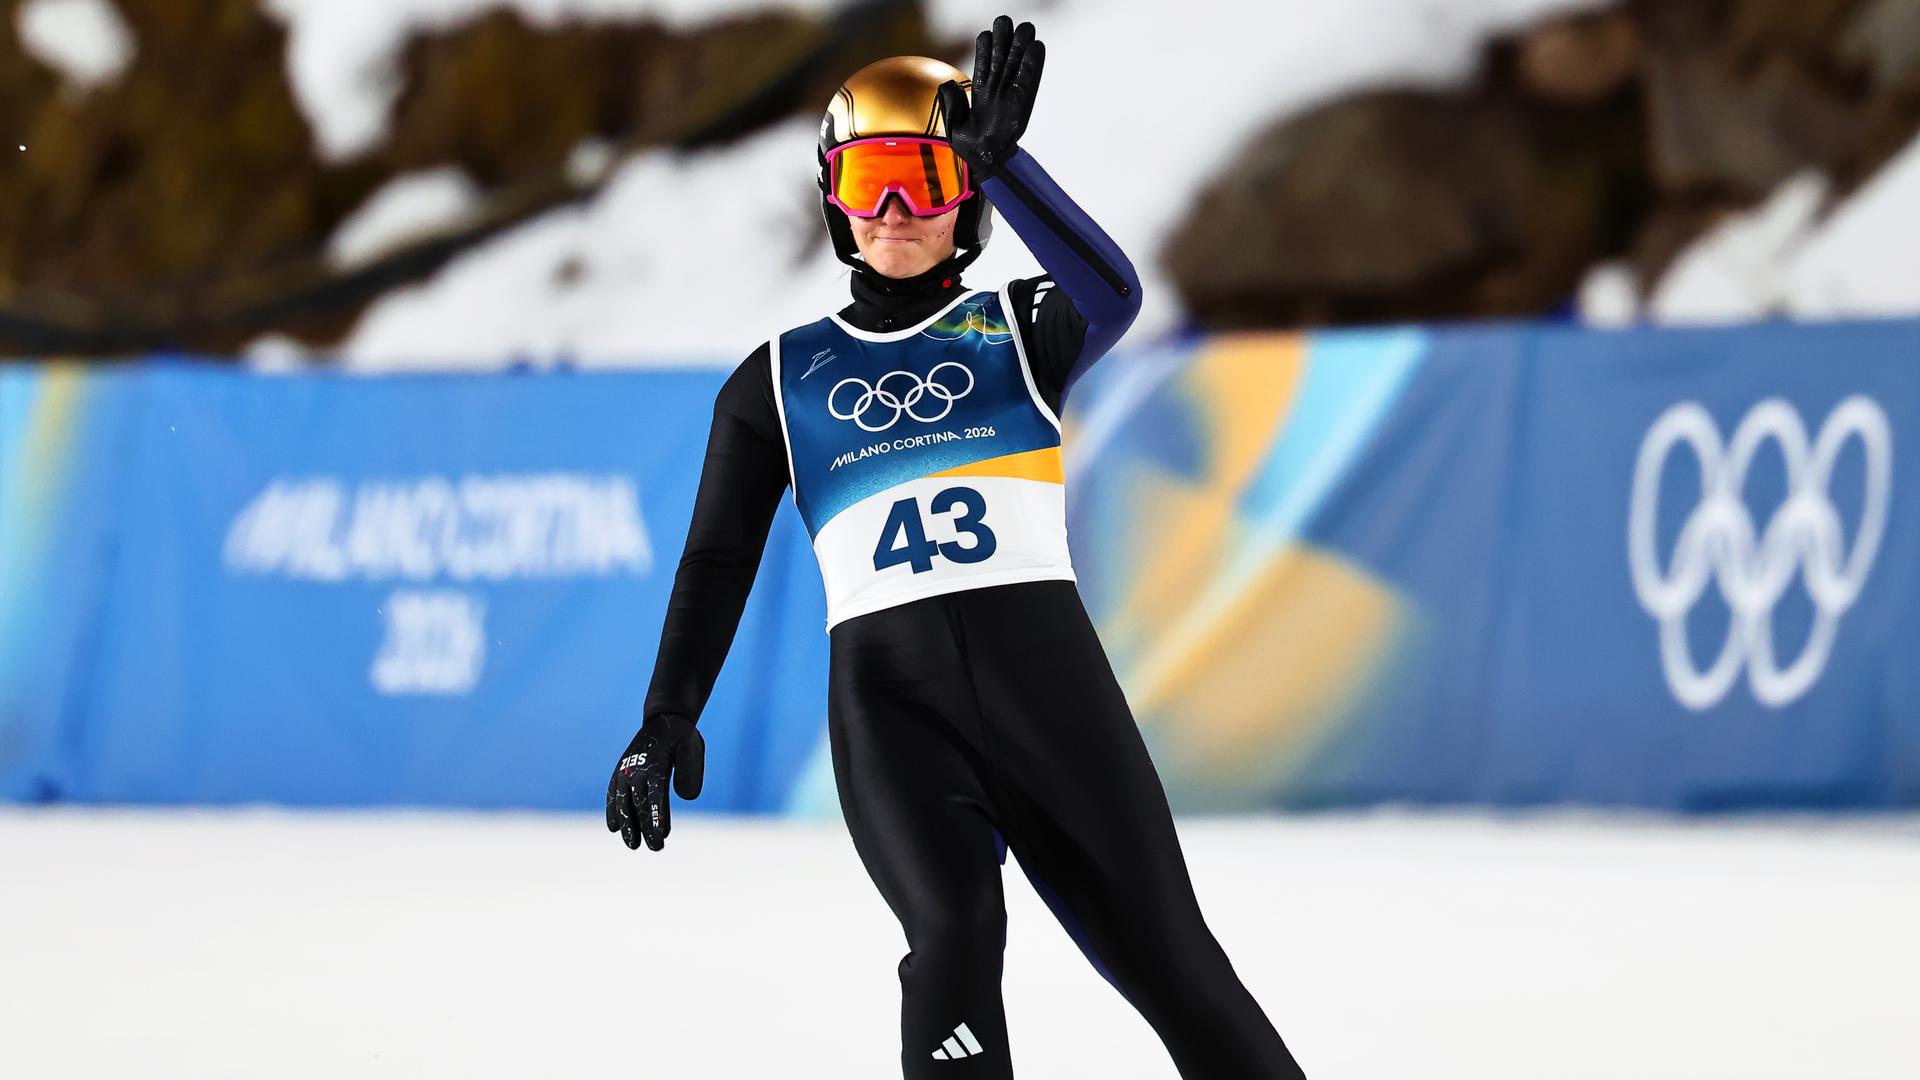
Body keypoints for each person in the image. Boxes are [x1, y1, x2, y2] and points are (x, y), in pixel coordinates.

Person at [607, 17, 1308, 1079]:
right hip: (894, 714)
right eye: (870, 181)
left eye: (927, 182)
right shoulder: (775, 383)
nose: (895, 211)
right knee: (954, 937)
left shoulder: (1020, 328)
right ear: (834, 199)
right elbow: (715, 563)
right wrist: (666, 717)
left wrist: (1011, 165)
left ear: (966, 202)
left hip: (1052, 697)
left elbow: (1112, 293)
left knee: (1178, 968)